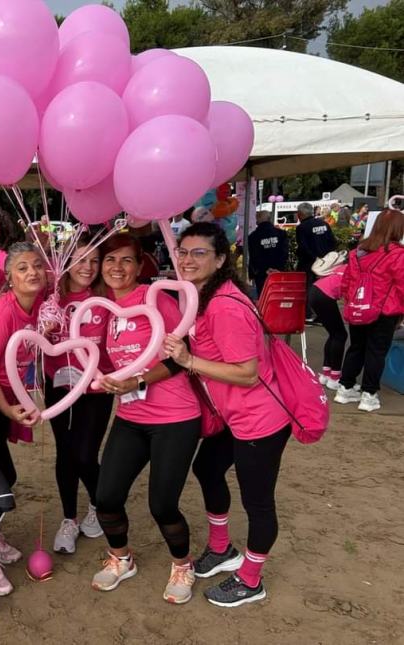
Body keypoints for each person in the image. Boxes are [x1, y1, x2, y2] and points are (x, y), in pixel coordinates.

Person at [163, 222, 292, 608]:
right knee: (207, 468)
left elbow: (246, 373)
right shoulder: (206, 297)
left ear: (220, 259)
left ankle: (251, 579)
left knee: (258, 502)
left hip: (260, 421)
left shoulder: (223, 305)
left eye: (199, 253)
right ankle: (222, 549)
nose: (188, 260)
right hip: (234, 418)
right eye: (183, 252)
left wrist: (189, 360)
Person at [90, 234, 201, 605]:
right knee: (106, 497)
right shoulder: (105, 307)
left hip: (176, 417)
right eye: (110, 260)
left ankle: (183, 565)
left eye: (126, 261)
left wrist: (137, 380)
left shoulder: (156, 300)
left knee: (162, 505)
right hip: (131, 415)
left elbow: (178, 358)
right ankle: (122, 558)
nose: (117, 268)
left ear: (140, 267)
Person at [0, 242, 44, 595]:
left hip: (7, 403)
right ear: (10, 278)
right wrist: (5, 408)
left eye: (37, 266)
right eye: (22, 268)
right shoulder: (0, 314)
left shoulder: (39, 308)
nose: (32, 273)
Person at [42, 235, 112, 554]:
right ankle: (69, 519)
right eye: (81, 259)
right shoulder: (49, 296)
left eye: (95, 261)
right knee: (65, 453)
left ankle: (99, 506)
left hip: (96, 386)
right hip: (57, 383)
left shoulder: (105, 296)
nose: (88, 267)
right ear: (65, 262)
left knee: (85, 454)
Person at [334, 208, 404, 412]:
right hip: (384, 311)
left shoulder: (357, 252)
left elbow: (346, 283)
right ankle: (369, 395)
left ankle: (345, 388)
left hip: (358, 308)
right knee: (376, 352)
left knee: (356, 347)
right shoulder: (397, 255)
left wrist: (351, 303)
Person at [309, 261, 348, 390]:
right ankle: (335, 377)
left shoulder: (344, 266)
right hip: (325, 295)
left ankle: (326, 374)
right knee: (340, 335)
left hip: (316, 290)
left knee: (334, 334)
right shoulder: (356, 269)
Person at [295, 202, 336, 321]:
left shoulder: (302, 228)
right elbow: (332, 242)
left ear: (300, 214)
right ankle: (323, 315)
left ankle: (308, 314)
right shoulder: (324, 224)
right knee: (324, 289)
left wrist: (315, 258)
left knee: (306, 288)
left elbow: (303, 246)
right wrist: (326, 259)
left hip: (309, 263)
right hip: (326, 263)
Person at [247, 210, 288, 297]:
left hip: (261, 274)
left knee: (264, 299)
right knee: (278, 297)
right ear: (269, 219)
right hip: (278, 272)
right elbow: (284, 253)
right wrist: (278, 268)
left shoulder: (253, 236)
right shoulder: (281, 233)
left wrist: (259, 271)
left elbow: (254, 256)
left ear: (258, 220)